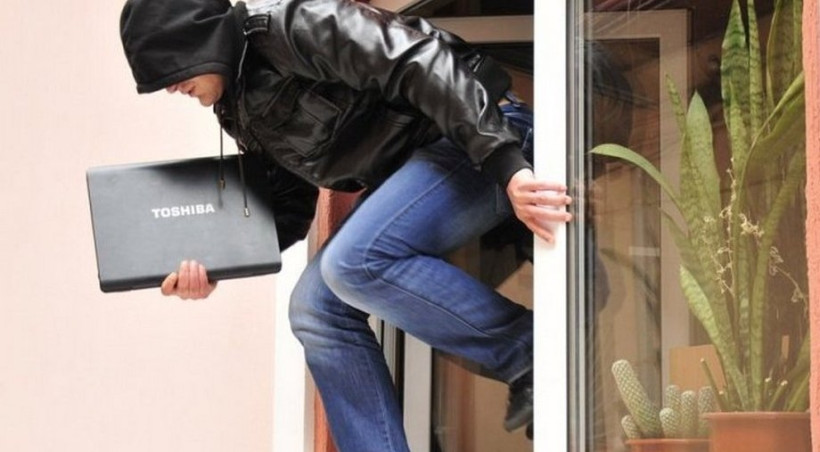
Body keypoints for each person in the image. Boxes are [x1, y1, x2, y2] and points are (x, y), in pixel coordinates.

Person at [119, 0, 573, 450]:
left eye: (172, 67)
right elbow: (291, 204)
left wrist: (506, 163)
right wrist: (216, 263)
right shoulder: (237, 108)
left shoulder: (291, 24)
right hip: (421, 172)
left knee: (353, 262)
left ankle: (532, 353)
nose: (171, 88)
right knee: (314, 309)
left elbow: (419, 61)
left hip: (480, 137)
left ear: (201, 36)